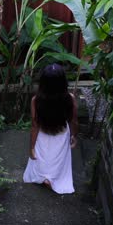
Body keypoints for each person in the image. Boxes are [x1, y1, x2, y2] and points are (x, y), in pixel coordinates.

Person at [23, 63, 78, 194]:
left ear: (43, 83)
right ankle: (54, 178)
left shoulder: (36, 100)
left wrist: (31, 147)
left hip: (43, 133)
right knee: (58, 158)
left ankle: (44, 177)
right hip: (61, 133)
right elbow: (73, 120)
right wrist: (74, 136)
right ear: (63, 82)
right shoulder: (70, 99)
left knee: (42, 156)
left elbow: (35, 125)